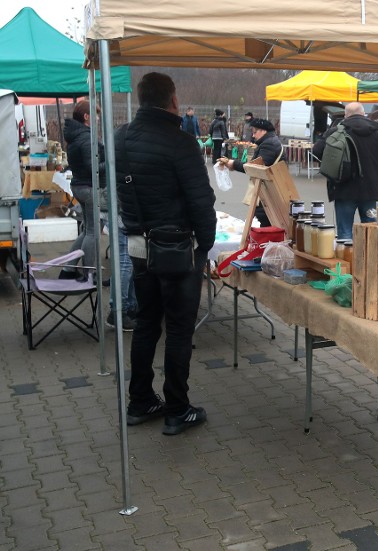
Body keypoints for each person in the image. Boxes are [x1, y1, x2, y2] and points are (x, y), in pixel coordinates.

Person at [115, 72, 216, 436]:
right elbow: (201, 201)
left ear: (142, 99)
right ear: (172, 100)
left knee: (146, 323)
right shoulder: (181, 142)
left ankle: (140, 400)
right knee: (177, 328)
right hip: (177, 250)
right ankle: (177, 408)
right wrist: (205, 244)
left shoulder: (121, 138)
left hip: (139, 246)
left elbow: (123, 188)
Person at [313, 102, 378, 240]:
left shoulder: (336, 132)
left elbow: (316, 151)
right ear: (363, 114)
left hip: (344, 189)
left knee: (345, 233)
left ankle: (347, 261)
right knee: (372, 233)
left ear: (346, 115)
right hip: (373, 190)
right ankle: (370, 261)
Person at [59, 100, 104, 283]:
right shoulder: (86, 137)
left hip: (79, 186)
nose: (98, 118)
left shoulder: (76, 134)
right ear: (87, 117)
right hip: (88, 187)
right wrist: (110, 162)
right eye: (96, 114)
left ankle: (68, 269)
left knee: (87, 231)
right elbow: (92, 166)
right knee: (93, 232)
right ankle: (89, 275)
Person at [219, 118, 284, 227]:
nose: (253, 135)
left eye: (255, 132)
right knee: (263, 220)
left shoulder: (269, 145)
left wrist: (234, 164)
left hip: (267, 193)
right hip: (269, 192)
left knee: (262, 222)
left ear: (263, 131)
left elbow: (256, 168)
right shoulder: (271, 141)